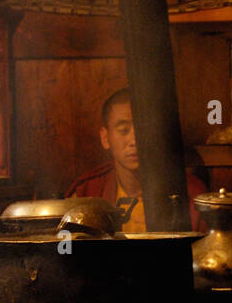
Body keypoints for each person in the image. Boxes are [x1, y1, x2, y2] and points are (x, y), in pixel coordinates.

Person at [67, 87, 206, 231]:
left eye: (143, 130)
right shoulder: (87, 192)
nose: (135, 140)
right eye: (123, 130)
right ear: (105, 138)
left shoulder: (190, 193)